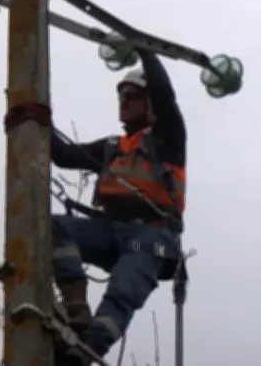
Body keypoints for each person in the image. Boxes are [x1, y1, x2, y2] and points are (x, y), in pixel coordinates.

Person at [50, 50, 187, 365]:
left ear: (149, 102)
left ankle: (88, 349)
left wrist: (144, 49)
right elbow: (62, 154)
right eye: (121, 96)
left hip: (151, 236)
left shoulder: (167, 139)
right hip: (111, 231)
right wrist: (35, 115)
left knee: (122, 291)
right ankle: (76, 309)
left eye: (131, 96)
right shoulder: (112, 147)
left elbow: (165, 95)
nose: (123, 102)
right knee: (54, 228)